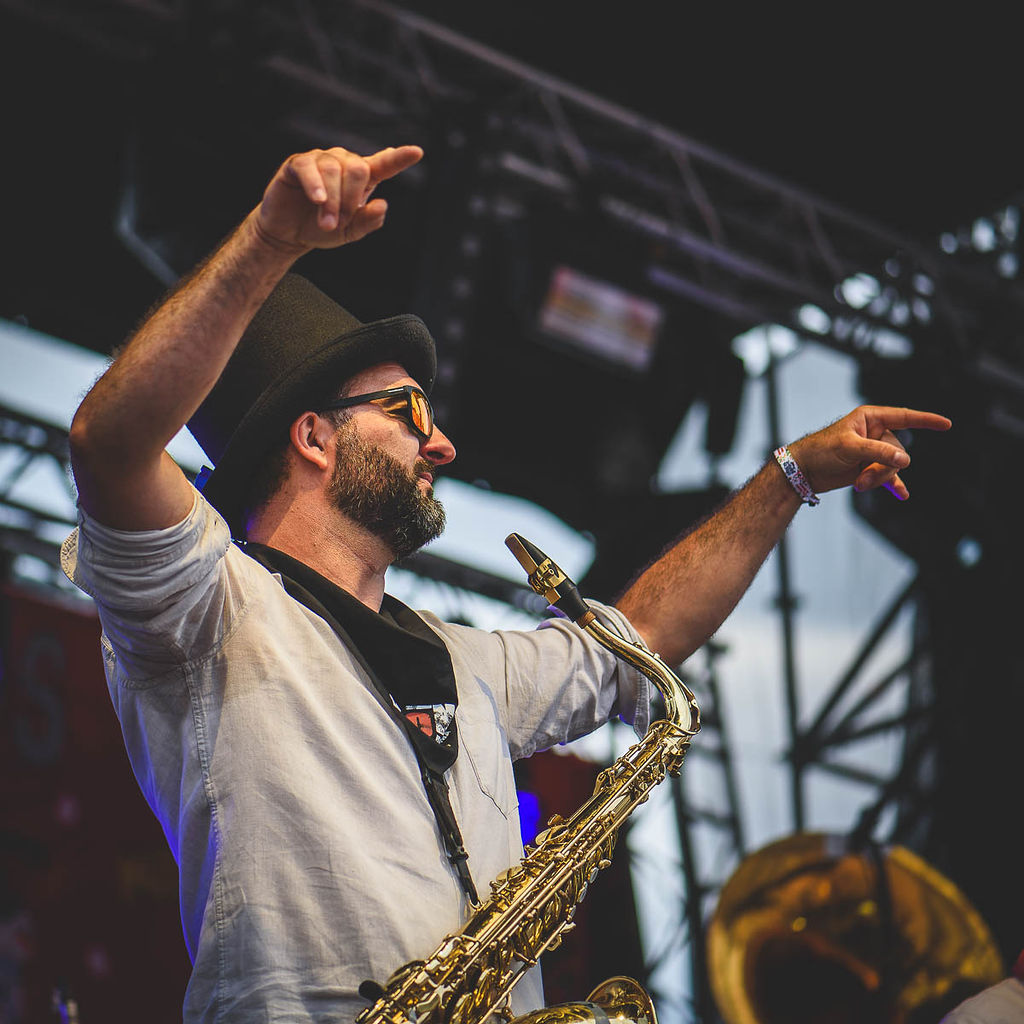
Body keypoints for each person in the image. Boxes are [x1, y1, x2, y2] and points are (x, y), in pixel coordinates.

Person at [60, 143, 952, 1023]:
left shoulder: (465, 663)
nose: (443, 445)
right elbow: (110, 444)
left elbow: (638, 638)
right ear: (314, 437)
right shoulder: (212, 607)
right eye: (409, 412)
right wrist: (269, 242)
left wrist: (790, 477)